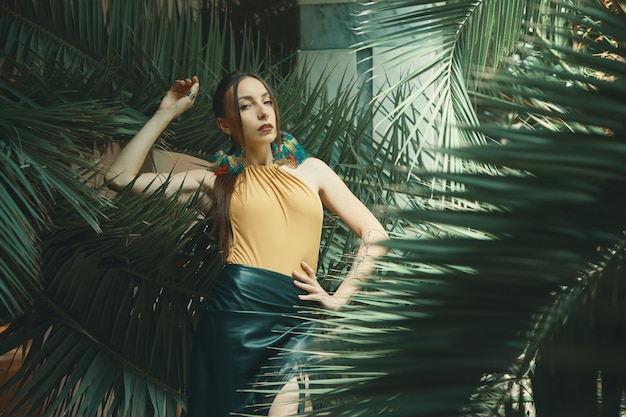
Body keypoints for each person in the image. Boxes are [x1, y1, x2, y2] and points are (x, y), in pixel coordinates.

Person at [105, 72, 389, 416]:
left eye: (267, 101)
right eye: (246, 105)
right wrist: (166, 112)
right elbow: (119, 178)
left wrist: (339, 298)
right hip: (235, 316)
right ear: (225, 125)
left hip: (298, 313)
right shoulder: (214, 182)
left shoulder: (312, 171)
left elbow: (375, 235)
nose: (262, 112)